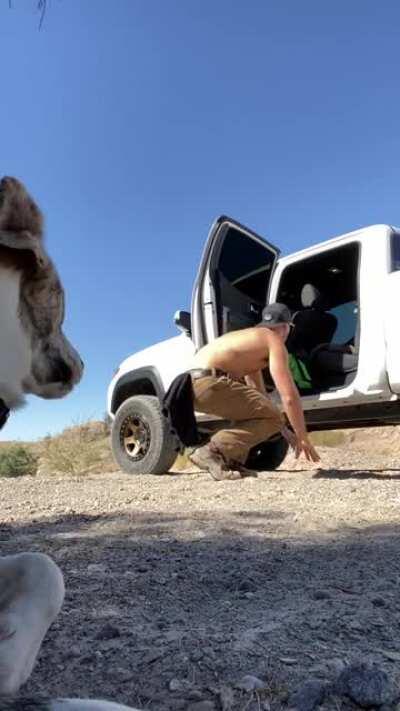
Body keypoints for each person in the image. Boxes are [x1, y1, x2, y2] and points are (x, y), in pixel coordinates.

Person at [189, 302, 320, 480]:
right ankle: (211, 451)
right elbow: (289, 396)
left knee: (257, 414)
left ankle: (230, 461)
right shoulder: (273, 340)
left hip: (193, 385)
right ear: (285, 327)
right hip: (209, 382)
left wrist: (285, 431)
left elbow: (259, 400)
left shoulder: (252, 341)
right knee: (273, 415)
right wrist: (302, 436)